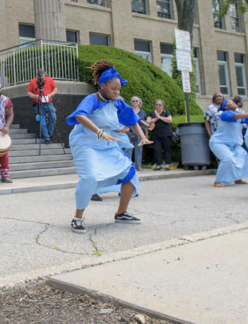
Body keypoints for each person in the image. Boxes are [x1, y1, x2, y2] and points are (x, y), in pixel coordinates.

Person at [66, 61, 152, 233]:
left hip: (107, 143)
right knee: (90, 178)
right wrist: (99, 133)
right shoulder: (91, 99)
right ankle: (77, 218)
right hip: (86, 144)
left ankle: (121, 213)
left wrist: (142, 137)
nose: (117, 92)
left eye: (119, 89)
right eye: (114, 89)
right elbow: (80, 116)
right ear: (102, 85)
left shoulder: (118, 102)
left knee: (129, 173)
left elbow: (131, 120)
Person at [209, 99, 248, 187]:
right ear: (226, 107)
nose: (233, 103)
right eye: (230, 103)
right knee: (227, 159)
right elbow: (236, 117)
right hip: (219, 142)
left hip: (233, 144)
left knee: (244, 157)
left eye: (233, 102)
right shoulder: (224, 114)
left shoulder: (238, 115)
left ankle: (238, 179)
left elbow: (247, 119)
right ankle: (218, 181)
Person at [27, 69, 58, 145]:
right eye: (40, 77)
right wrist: (36, 96)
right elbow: (29, 92)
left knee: (53, 117)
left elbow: (55, 89)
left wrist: (49, 95)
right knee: (42, 120)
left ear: (45, 75)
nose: (42, 79)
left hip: (48, 102)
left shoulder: (50, 80)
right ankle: (46, 138)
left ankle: (49, 134)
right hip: (38, 103)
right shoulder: (33, 82)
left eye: (43, 77)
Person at [147, 99, 173, 171]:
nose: (158, 106)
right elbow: (148, 121)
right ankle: (158, 165)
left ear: (163, 106)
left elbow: (169, 120)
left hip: (166, 134)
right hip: (156, 134)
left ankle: (167, 165)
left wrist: (160, 117)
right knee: (157, 149)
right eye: (156, 104)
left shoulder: (166, 112)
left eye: (159, 105)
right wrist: (155, 119)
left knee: (166, 149)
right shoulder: (152, 113)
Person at [124, 96, 149, 171]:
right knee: (128, 150)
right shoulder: (128, 111)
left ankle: (138, 166)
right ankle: (127, 166)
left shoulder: (143, 112)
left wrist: (146, 134)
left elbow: (145, 124)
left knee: (139, 150)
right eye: (133, 101)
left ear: (139, 102)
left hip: (139, 134)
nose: (134, 102)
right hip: (129, 133)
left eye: (136, 101)